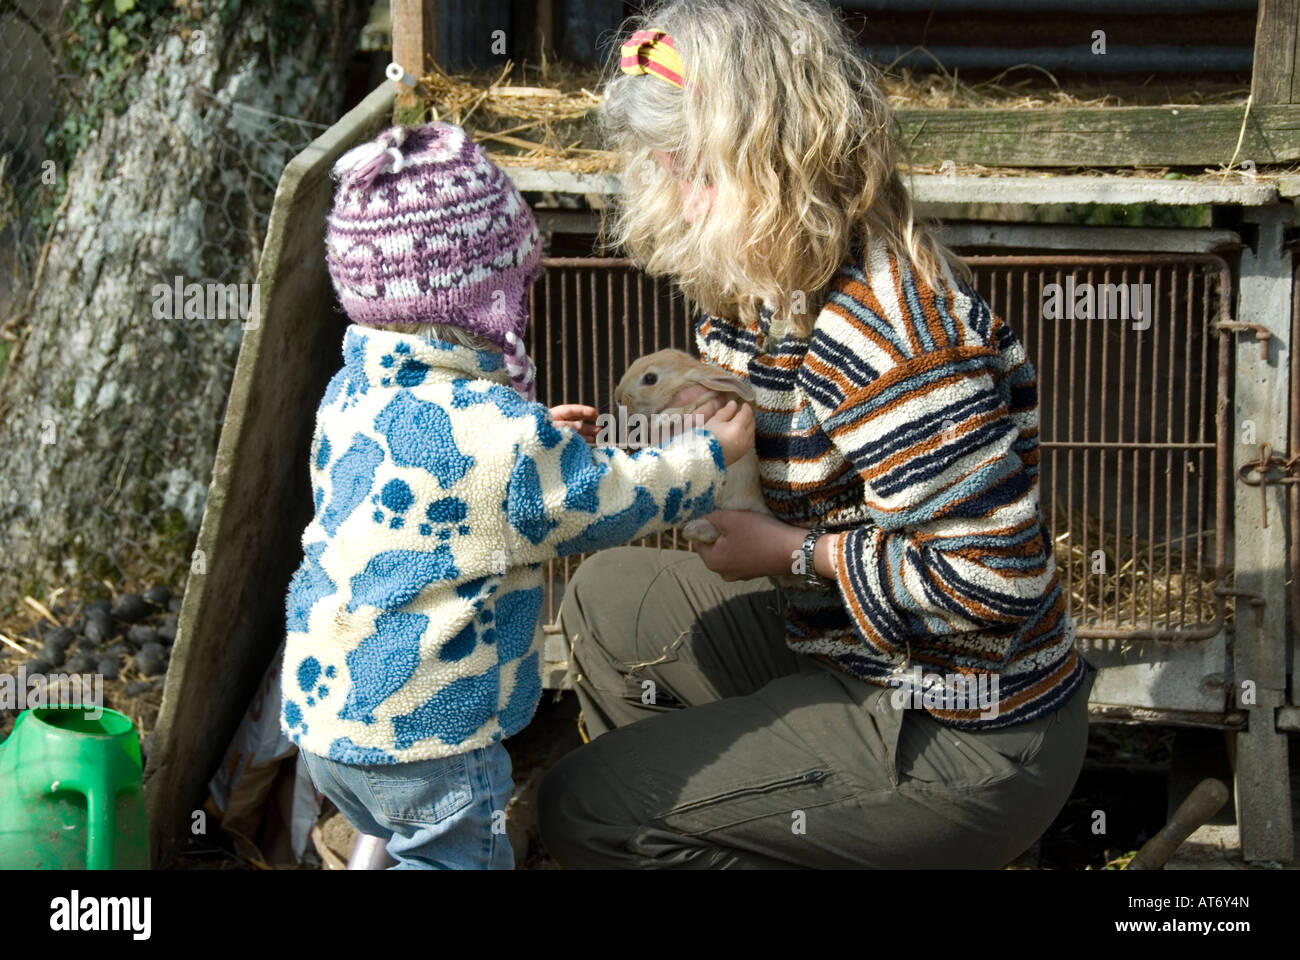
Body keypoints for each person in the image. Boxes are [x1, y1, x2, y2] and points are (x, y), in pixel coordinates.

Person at [537, 0, 1097, 869]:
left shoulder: (890, 339)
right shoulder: (761, 290)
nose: (676, 196)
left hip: (962, 722)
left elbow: (997, 581)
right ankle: (760, 819)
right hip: (848, 649)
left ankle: (744, 822)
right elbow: (773, 456)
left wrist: (795, 554)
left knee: (585, 807)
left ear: (779, 161)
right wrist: (674, 450)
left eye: (699, 169)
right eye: (664, 164)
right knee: (611, 602)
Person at [279, 121, 754, 869]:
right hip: (429, 737)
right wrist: (704, 458)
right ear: (489, 294)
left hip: (328, 723)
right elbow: (607, 498)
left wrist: (535, 439)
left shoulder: (351, 393)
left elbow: (450, 486)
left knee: (402, 845)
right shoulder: (494, 440)